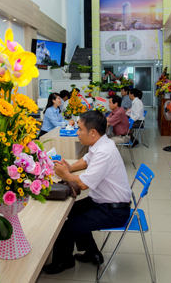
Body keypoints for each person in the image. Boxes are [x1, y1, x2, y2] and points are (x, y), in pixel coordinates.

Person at [42, 111, 132, 275]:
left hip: (114, 210)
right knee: (69, 211)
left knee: (65, 226)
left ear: (92, 132)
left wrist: (66, 175)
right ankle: (92, 252)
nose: (77, 132)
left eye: (80, 129)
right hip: (104, 201)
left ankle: (63, 262)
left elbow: (83, 184)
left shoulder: (104, 152)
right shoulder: (101, 144)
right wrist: (69, 168)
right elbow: (86, 160)